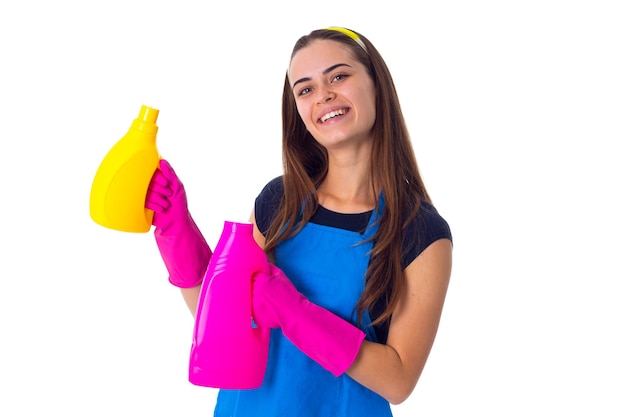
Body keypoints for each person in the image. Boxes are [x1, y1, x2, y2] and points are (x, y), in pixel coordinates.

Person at [145, 27, 453, 417]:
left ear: (377, 84)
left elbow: (399, 379)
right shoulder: (280, 202)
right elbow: (225, 324)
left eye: (339, 76)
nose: (323, 95)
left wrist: (295, 313)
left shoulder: (419, 231)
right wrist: (177, 231)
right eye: (305, 89)